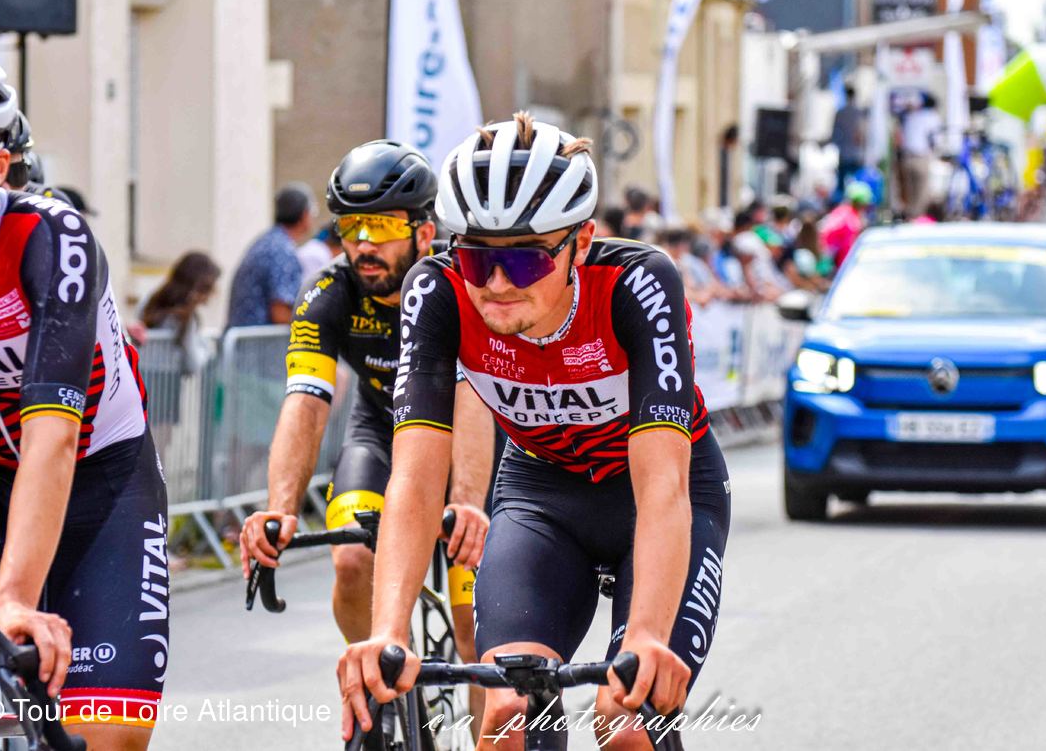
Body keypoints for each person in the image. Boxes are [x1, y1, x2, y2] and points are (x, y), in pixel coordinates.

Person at [337, 112, 731, 750]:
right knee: (506, 715)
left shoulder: (637, 283)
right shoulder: (437, 291)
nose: (496, 284)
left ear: (580, 242)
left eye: (524, 261)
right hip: (542, 493)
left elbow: (663, 483)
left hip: (655, 493)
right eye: (476, 258)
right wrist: (388, 630)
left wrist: (646, 636)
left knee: (626, 720)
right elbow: (414, 475)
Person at [238, 141, 495, 732]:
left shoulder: (462, 285)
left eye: (380, 227)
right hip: (382, 434)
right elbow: (306, 402)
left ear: (424, 232)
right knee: (353, 560)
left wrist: (467, 500)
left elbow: (475, 395)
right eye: (350, 228)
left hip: (473, 445)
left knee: (474, 626)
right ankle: (390, 693)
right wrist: (279, 508)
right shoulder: (328, 293)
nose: (363, 244)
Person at [0, 43, 166, 749]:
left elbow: (54, 435)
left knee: (109, 736)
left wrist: (14, 597)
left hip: (100, 479)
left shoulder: (50, 238)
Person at [226, 183, 316, 327]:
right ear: (304, 215)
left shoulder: (268, 241)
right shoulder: (283, 250)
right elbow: (281, 313)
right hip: (258, 339)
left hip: (244, 336)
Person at [140, 251, 222, 374]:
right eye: (208, 288)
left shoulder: (149, 302)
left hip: (141, 373)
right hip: (168, 378)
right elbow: (193, 364)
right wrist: (207, 352)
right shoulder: (184, 318)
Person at [900, 94, 941, 218]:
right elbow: (935, 139)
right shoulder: (932, 116)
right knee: (922, 192)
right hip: (920, 157)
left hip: (906, 157)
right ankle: (918, 219)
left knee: (910, 192)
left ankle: (910, 217)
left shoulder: (911, 116)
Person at [820, 180, 872, 269]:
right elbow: (847, 249)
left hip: (827, 261)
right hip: (835, 265)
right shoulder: (851, 221)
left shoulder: (841, 211)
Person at [830, 84, 866, 204]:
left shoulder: (841, 113)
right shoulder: (859, 113)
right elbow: (861, 135)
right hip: (856, 154)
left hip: (844, 153)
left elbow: (835, 135)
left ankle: (842, 205)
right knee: (857, 184)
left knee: (842, 185)